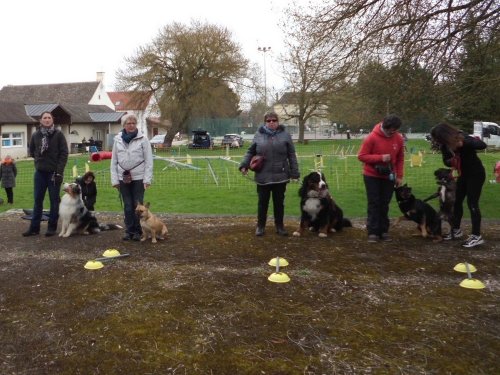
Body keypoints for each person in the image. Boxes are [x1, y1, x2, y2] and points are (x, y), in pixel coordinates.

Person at [239, 111, 300, 236]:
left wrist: (294, 172)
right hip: (263, 175)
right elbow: (250, 152)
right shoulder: (258, 135)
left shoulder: (285, 135)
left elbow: (291, 155)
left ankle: (280, 226)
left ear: (278, 122)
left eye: (274, 120)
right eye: (269, 120)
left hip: (281, 175)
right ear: (265, 122)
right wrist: (244, 165)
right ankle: (260, 226)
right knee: (262, 203)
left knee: (279, 203)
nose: (271, 122)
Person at [430, 122, 487, 247]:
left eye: (439, 139)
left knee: (472, 203)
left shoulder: (462, 137)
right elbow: (446, 161)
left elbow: (482, 145)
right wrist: (452, 161)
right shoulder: (444, 146)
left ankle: (476, 236)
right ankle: (456, 230)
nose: (438, 142)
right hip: (463, 175)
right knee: (456, 202)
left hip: (476, 174)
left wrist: (465, 143)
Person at [358, 114, 404, 243]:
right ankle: (372, 231)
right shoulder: (371, 138)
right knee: (374, 203)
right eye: (391, 130)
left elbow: (400, 158)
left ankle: (384, 230)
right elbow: (362, 156)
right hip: (372, 176)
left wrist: (399, 176)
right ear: (385, 126)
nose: (393, 132)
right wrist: (380, 158)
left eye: (395, 130)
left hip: (389, 175)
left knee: (385, 203)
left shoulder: (398, 138)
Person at [23, 111, 68, 237]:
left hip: (54, 173)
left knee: (54, 201)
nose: (47, 120)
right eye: (44, 118)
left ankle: (52, 228)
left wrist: (59, 172)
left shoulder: (58, 135)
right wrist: (38, 160)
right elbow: (32, 151)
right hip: (40, 173)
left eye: (49, 117)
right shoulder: (36, 135)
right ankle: (34, 228)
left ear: (52, 120)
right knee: (38, 200)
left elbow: (64, 154)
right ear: (41, 120)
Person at [111, 114, 153, 241]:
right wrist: (114, 180)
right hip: (122, 177)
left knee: (138, 206)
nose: (131, 125)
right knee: (127, 205)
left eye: (133, 123)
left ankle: (138, 230)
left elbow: (149, 160)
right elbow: (114, 160)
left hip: (139, 177)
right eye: (128, 123)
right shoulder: (117, 140)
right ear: (124, 125)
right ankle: (129, 230)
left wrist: (147, 179)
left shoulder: (143, 139)